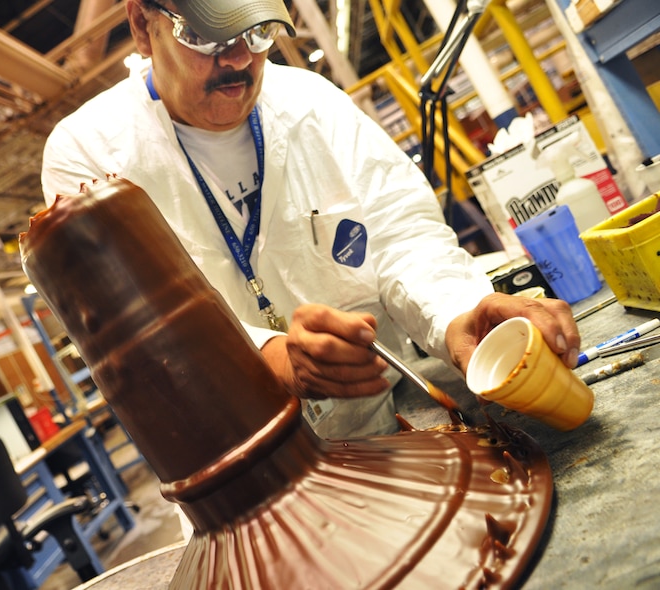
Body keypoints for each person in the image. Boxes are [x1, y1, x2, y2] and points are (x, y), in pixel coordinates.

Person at [40, 0, 580, 438]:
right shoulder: (90, 158)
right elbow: (139, 330)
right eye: (205, 36)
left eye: (255, 33)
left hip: (386, 424)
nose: (236, 60)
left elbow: (401, 233)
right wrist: (271, 361)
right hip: (246, 465)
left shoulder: (313, 105)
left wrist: (457, 315)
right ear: (142, 24)